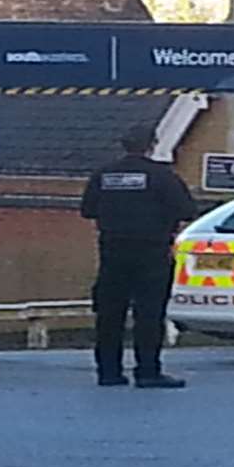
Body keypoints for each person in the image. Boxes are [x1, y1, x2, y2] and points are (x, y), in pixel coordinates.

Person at [79, 123, 199, 389]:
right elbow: (187, 210)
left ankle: (108, 371)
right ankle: (148, 372)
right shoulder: (162, 176)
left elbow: (87, 210)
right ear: (152, 144)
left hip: (112, 253)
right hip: (152, 254)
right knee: (149, 314)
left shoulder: (103, 175)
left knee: (109, 314)